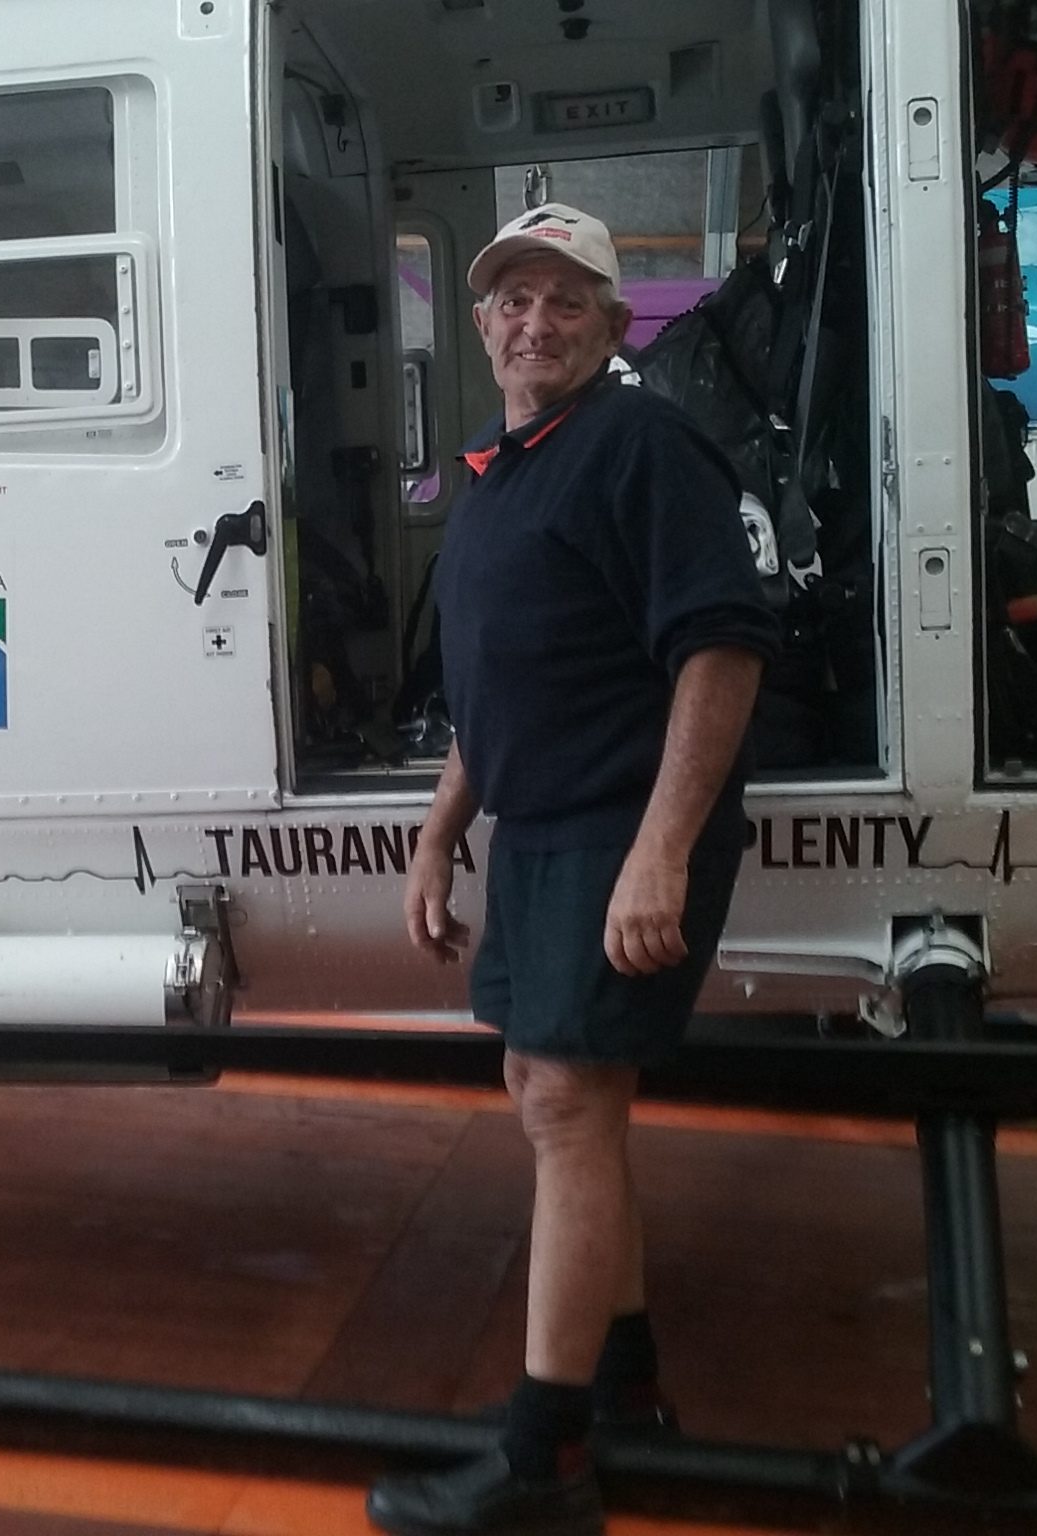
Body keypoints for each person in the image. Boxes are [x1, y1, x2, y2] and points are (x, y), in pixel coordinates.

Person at [366, 205, 778, 1534]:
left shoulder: (640, 448)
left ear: (612, 325)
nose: (533, 322)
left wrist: (661, 855)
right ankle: (626, 1384)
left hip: (618, 827)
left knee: (564, 1104)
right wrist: (439, 832)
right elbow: (502, 694)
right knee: (554, 1093)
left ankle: (544, 1462)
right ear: (480, 323)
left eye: (564, 301)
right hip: (544, 829)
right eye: (511, 300)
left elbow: (720, 653)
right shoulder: (511, 466)